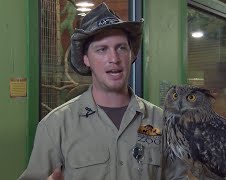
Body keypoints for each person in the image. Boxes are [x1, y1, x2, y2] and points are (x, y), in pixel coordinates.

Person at [18, 3, 187, 180]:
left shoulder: (162, 122)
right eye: (102, 49)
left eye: (121, 48)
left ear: (132, 55)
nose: (114, 58)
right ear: (86, 60)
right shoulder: (56, 125)